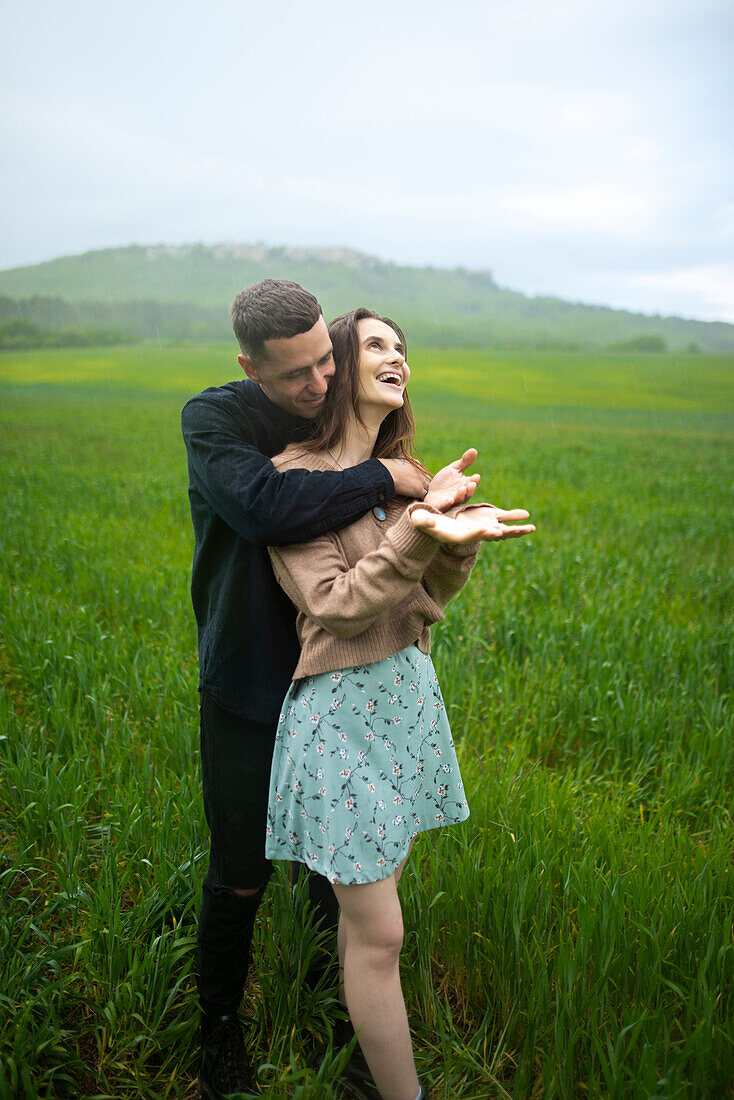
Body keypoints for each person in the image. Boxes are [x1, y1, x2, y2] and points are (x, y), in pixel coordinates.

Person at [181, 280, 483, 1099]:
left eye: (325, 362)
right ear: (252, 367)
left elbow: (414, 599)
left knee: (338, 879)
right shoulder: (222, 422)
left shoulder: (347, 425)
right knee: (242, 870)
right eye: (297, 375)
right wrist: (392, 479)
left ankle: (346, 1022)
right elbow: (269, 507)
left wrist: (439, 530)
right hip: (253, 676)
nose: (315, 384)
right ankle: (219, 1036)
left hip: (357, 683)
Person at [264, 308, 535, 1100]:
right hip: (339, 717)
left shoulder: (408, 475)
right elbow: (337, 604)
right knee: (383, 934)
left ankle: (363, 1067)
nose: (396, 357)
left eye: (401, 346)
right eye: (376, 344)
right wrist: (419, 534)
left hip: (406, 701)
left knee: (365, 928)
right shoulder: (294, 479)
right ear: (338, 365)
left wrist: (458, 546)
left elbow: (420, 601)